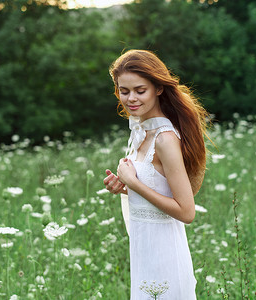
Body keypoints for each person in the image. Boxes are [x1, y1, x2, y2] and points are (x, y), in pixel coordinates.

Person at [103, 50, 209, 299]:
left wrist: (134, 184)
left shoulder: (165, 139)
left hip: (165, 254)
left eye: (140, 90)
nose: (131, 98)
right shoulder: (140, 131)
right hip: (143, 250)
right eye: (124, 90)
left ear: (159, 88)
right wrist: (124, 186)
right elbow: (158, 189)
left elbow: (186, 212)